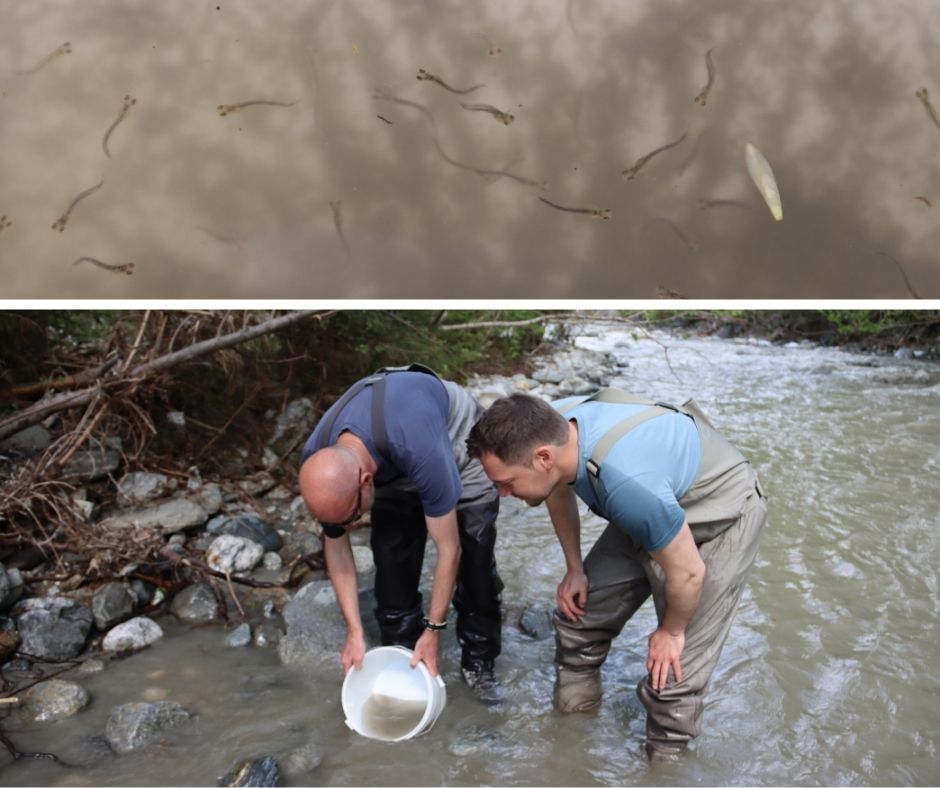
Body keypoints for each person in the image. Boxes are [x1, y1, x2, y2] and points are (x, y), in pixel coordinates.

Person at [466, 389, 768, 759]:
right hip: (655, 504)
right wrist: (574, 568)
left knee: (672, 677)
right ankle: (570, 750)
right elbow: (557, 489)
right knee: (579, 619)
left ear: (543, 457)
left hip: (719, 516)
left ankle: (664, 769)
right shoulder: (552, 428)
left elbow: (688, 571)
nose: (503, 493)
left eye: (506, 483)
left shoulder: (627, 483)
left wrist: (670, 632)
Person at [298, 364, 503, 700]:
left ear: (366, 482)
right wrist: (354, 632)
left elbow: (448, 549)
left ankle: (479, 662)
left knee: (474, 555)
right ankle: (402, 659)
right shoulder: (320, 463)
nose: (350, 527)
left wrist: (434, 630)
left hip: (456, 443)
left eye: (352, 518)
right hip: (388, 458)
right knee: (392, 562)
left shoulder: (419, 448)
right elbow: (336, 548)